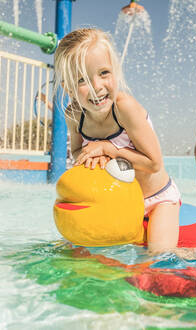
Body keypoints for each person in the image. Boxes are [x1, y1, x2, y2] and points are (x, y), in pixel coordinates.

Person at [53, 28, 180, 254]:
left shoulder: (124, 108)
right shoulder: (74, 114)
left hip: (155, 200)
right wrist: (90, 156)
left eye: (104, 73)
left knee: (159, 257)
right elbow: (75, 152)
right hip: (117, 204)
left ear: (116, 71)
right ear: (68, 87)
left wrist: (108, 148)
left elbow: (154, 163)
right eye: (82, 79)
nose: (97, 86)